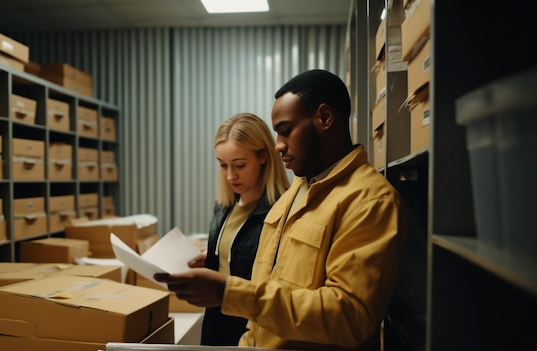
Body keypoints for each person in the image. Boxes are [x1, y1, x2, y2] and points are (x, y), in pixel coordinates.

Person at [155, 69, 407, 351]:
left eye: (285, 131)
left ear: (325, 118)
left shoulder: (370, 200)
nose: (278, 146)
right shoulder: (295, 193)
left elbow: (350, 317)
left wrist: (228, 292)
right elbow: (265, 301)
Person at [191, 112, 290, 346]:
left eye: (239, 165)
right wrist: (212, 258)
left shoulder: (282, 210)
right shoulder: (224, 207)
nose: (230, 175)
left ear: (263, 156)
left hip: (253, 327)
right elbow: (235, 253)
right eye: (223, 165)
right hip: (216, 323)